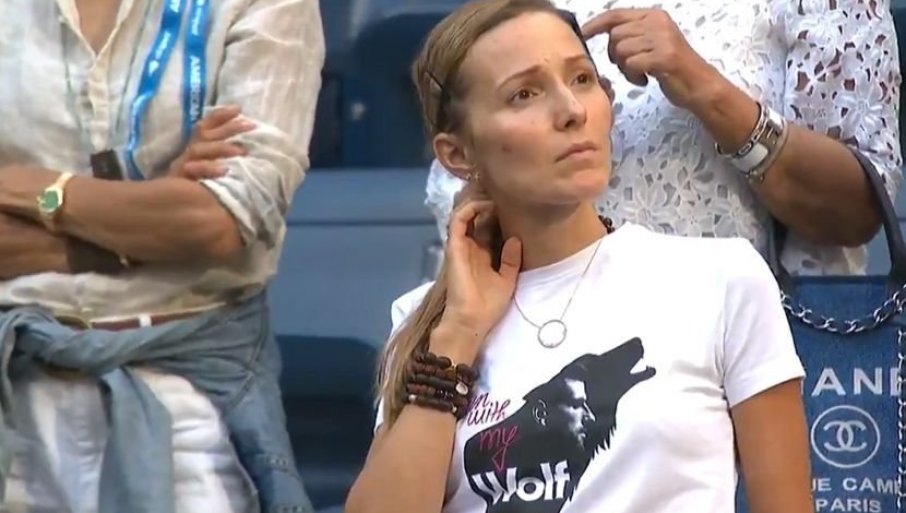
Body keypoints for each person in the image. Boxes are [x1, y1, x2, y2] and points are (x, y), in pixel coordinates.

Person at [345, 1, 812, 512]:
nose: (572, 110)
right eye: (524, 94)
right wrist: (458, 334)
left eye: (582, 79)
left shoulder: (720, 280)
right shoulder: (426, 322)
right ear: (458, 154)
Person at [0, 1, 324, 512]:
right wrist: (146, 215)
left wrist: (38, 189)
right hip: (14, 382)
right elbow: (185, 223)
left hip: (185, 399)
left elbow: (220, 220)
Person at [425, 0, 903, 275]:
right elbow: (469, 162)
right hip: (545, 338)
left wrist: (704, 87)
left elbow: (856, 212)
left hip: (739, 360)